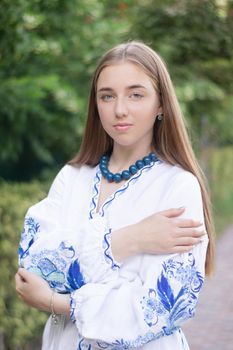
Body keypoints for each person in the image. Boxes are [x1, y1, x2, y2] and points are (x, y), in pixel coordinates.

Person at [15, 41, 214, 350]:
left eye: (136, 94)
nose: (119, 109)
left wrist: (59, 302)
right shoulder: (72, 178)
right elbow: (34, 265)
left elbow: (161, 308)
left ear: (161, 104)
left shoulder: (177, 186)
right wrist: (127, 240)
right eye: (107, 96)